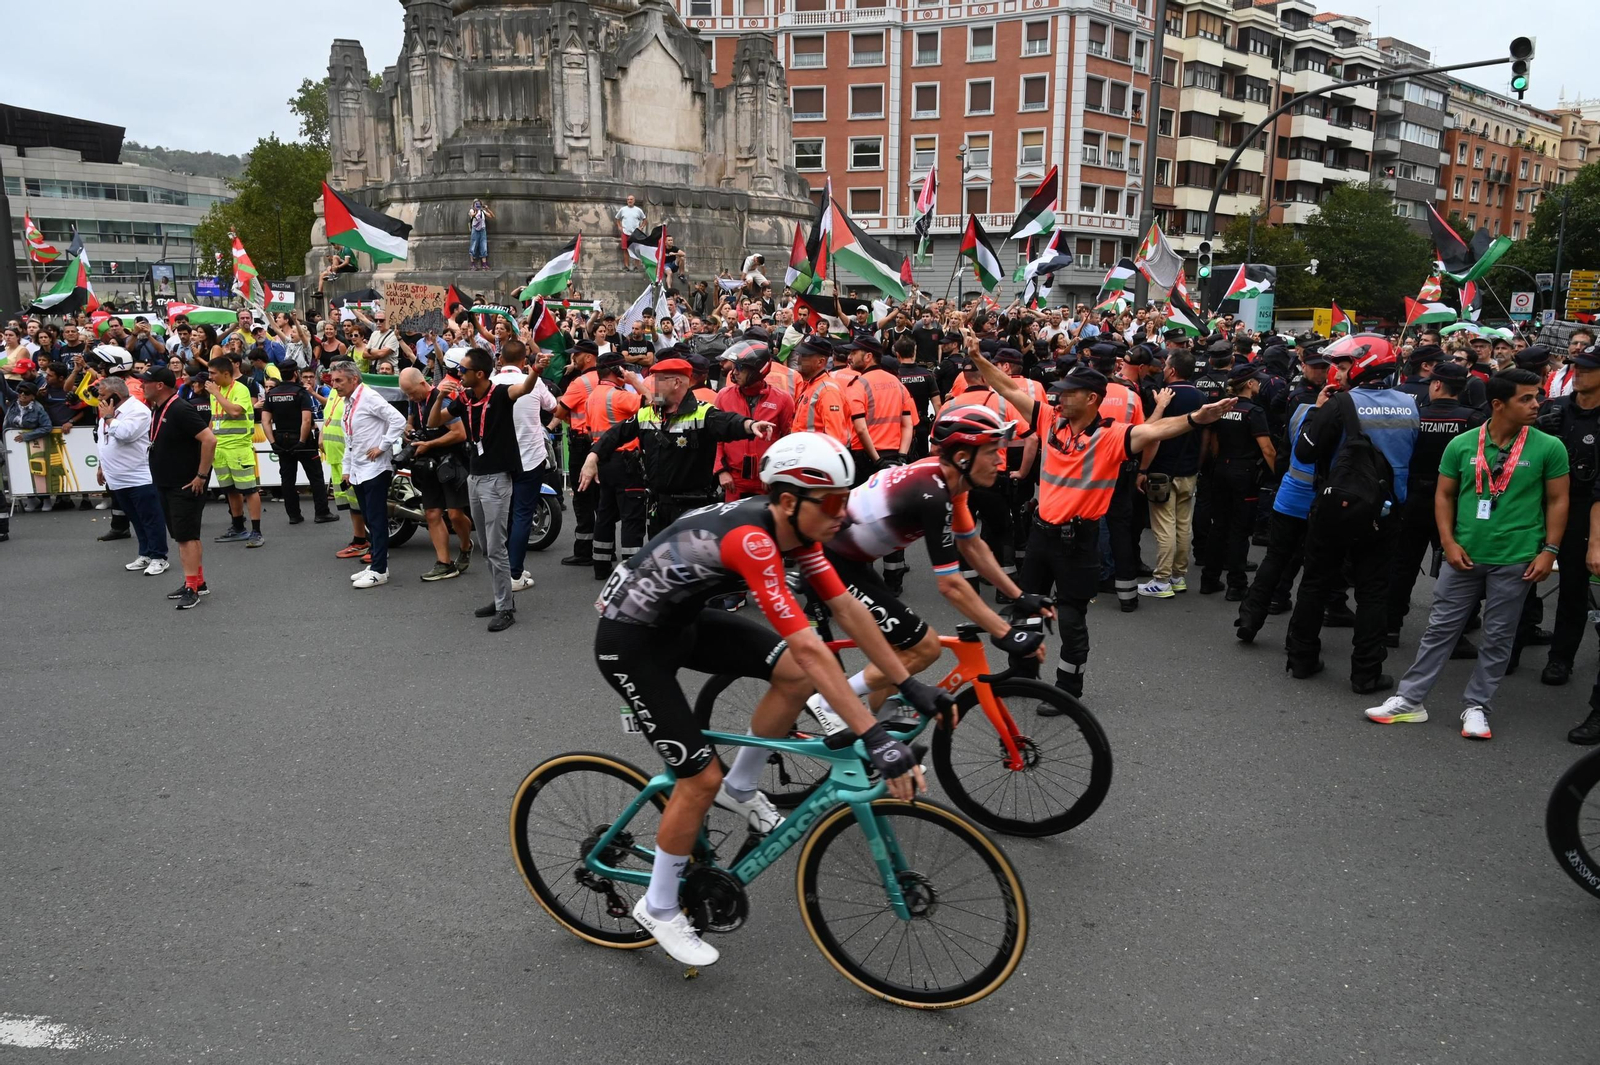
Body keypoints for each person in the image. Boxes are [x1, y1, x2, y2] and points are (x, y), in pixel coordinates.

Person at [592, 431, 956, 966]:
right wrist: (874, 735)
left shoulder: (799, 531)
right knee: (698, 780)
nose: (844, 514)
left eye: (846, 498)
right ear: (788, 501)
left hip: (681, 624)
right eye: (833, 502)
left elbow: (849, 612)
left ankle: (741, 787)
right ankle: (660, 905)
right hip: (630, 643)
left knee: (792, 677)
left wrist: (906, 682)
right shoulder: (754, 539)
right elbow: (810, 644)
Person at [970, 352, 1235, 697]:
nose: (1058, 398)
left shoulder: (1112, 437)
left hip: (1077, 543)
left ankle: (1068, 689)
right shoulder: (1049, 419)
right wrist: (977, 356)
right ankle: (1023, 674)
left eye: (1067, 393)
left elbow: (1156, 429)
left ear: (1091, 398)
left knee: (1070, 620)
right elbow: (1005, 386)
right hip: (1041, 536)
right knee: (1025, 612)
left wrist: (1196, 419)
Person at [805, 405, 1051, 728]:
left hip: (849, 559)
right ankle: (830, 701)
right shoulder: (932, 494)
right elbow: (950, 585)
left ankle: (883, 743)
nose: (999, 461)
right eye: (992, 453)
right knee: (925, 647)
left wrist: (1019, 597)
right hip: (829, 561)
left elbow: (972, 545)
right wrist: (1004, 631)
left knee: (899, 654)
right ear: (963, 458)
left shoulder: (949, 480)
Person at [1365, 369, 1568, 740]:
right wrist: (1448, 542)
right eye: (1526, 398)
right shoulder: (1462, 444)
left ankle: (1477, 706)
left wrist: (1549, 551)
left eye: (1536, 396)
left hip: (1517, 557)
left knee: (1498, 636)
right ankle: (1410, 701)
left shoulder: (1549, 447)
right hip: (1464, 554)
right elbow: (1443, 495)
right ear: (1498, 404)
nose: (1536, 404)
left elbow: (1558, 500)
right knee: (1439, 629)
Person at [1284, 336, 1420, 693]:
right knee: (1374, 592)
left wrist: (1317, 410)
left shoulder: (1340, 403)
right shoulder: (1410, 404)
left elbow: (1305, 451)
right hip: (1386, 511)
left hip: (1336, 508)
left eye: (1343, 366)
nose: (1338, 372)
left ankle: (1301, 659)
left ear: (1363, 364)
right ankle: (1366, 673)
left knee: (1315, 582)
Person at [583, 356, 775, 537]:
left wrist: (749, 425)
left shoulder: (702, 413)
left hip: (691, 510)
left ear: (676, 383)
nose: (652, 386)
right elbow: (616, 434)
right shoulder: (647, 414)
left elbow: (727, 422)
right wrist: (593, 456)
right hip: (658, 509)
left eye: (658, 381)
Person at [431, 348, 549, 630]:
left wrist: (536, 371)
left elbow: (524, 388)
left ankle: (506, 608)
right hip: (475, 478)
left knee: (496, 547)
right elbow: (433, 422)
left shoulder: (499, 394)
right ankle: (500, 599)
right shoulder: (465, 398)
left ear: (479, 374)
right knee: (486, 547)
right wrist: (439, 397)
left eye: (464, 370)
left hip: (496, 480)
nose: (459, 374)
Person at [1386, 361, 1483, 649]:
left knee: (1403, 563)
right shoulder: (1475, 419)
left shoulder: (1416, 415)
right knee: (1457, 566)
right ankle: (1456, 632)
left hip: (1415, 497)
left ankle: (1390, 626)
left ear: (1437, 385)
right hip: (1457, 501)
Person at [1530, 344, 1600, 686]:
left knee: (1573, 588)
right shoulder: (1554, 408)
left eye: (1587, 368)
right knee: (1519, 576)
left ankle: (1561, 658)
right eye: (1576, 367)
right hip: (1537, 504)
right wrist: (1538, 428)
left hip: (1583, 509)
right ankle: (1514, 643)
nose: (1579, 373)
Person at [140, 367, 217, 610]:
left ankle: (191, 588)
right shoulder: (159, 407)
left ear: (160, 385)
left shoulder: (180, 408)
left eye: (146, 382)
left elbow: (209, 439)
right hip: (167, 481)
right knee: (186, 536)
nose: (142, 385)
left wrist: (201, 476)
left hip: (184, 483)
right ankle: (198, 582)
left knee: (186, 538)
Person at [1199, 363, 1276, 600]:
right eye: (1257, 380)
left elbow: (1213, 443)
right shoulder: (1254, 412)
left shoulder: (1222, 408)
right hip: (1244, 473)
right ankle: (1236, 584)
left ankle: (1209, 580)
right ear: (1250, 384)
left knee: (1218, 525)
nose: (1260, 384)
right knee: (1240, 530)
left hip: (1222, 467)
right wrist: (1278, 478)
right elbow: (1268, 449)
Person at [489, 338, 558, 593]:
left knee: (501, 515)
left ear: (501, 360)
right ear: (522, 361)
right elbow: (553, 406)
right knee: (522, 515)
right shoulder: (534, 381)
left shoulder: (490, 384)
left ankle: (505, 570)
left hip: (498, 460)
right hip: (530, 459)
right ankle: (515, 573)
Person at [332, 361, 407, 589]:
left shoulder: (370, 397)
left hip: (375, 469)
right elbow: (350, 439)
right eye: (333, 381)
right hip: (358, 470)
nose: (334, 385)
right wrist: (347, 469)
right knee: (368, 520)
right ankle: (375, 562)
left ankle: (379, 570)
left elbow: (399, 420)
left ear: (354, 379)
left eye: (339, 381)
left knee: (376, 521)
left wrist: (383, 446)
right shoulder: (347, 402)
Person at [1139, 350, 1205, 598]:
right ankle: (1178, 576)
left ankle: (1162, 579)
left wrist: (1143, 469)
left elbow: (1150, 434)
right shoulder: (1200, 396)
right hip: (1189, 469)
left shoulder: (1165, 397)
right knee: (1183, 526)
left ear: (1173, 370)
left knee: (1164, 526)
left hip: (1162, 470)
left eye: (1166, 365)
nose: (1163, 369)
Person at [400, 365, 474, 581]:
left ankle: (465, 544)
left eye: (412, 392)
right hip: (429, 464)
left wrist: (429, 444)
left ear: (423, 383)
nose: (411, 397)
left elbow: (459, 434)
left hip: (452, 464)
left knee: (455, 515)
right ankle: (444, 563)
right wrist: (412, 435)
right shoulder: (416, 402)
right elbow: (419, 426)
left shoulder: (443, 399)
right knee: (432, 513)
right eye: (407, 394)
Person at [94, 377, 169, 576]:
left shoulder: (138, 411)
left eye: (102, 395)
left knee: (150, 518)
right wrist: (102, 465)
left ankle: (159, 557)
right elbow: (104, 439)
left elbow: (125, 434)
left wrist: (109, 418)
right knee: (136, 519)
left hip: (139, 477)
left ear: (116, 396)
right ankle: (145, 553)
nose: (98, 399)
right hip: (117, 478)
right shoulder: (106, 411)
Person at [715, 346, 796, 501]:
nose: (734, 372)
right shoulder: (723, 396)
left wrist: (775, 472)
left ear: (757, 371)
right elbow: (716, 437)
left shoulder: (783, 400)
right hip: (733, 480)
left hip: (766, 481)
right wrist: (721, 471)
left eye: (740, 368)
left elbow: (787, 440)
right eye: (734, 367)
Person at [204, 355, 265, 548]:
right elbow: (215, 418)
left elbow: (235, 411)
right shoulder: (217, 391)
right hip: (221, 448)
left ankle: (256, 531)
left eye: (213, 373)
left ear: (226, 373)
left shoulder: (240, 389)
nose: (210, 377)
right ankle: (238, 527)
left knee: (249, 490)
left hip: (239, 448)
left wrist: (217, 395)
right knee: (230, 490)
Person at [261, 366, 334, 525]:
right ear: (296, 374)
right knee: (315, 477)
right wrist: (301, 441)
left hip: (281, 439)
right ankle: (322, 513)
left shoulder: (272, 394)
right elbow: (306, 420)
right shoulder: (300, 392)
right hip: (303, 441)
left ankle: (294, 515)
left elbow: (266, 421)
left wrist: (273, 442)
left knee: (287, 479)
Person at [554, 340, 602, 567]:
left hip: (582, 446)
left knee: (582, 498)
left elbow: (559, 410)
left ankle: (584, 551)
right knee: (601, 500)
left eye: (578, 354)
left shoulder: (579, 382)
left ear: (589, 357)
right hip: (604, 446)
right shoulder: (609, 378)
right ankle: (605, 548)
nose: (573, 357)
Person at [614, 195, 646, 269]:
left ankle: (636, 266)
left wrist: (641, 227)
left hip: (635, 233)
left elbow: (644, 219)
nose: (629, 201)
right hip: (625, 232)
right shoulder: (623, 209)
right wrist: (619, 226)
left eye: (631, 199)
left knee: (636, 249)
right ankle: (626, 266)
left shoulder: (638, 210)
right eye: (628, 199)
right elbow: (617, 218)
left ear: (634, 201)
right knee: (625, 249)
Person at [468, 199, 494, 270]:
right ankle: (472, 264)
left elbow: (492, 216)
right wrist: (476, 210)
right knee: (473, 245)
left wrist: (487, 209)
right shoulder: (472, 210)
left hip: (482, 230)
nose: (478, 205)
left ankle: (484, 264)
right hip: (475, 230)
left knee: (483, 246)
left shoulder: (482, 211)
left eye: (479, 204)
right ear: (473, 205)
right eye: (476, 204)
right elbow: (472, 215)